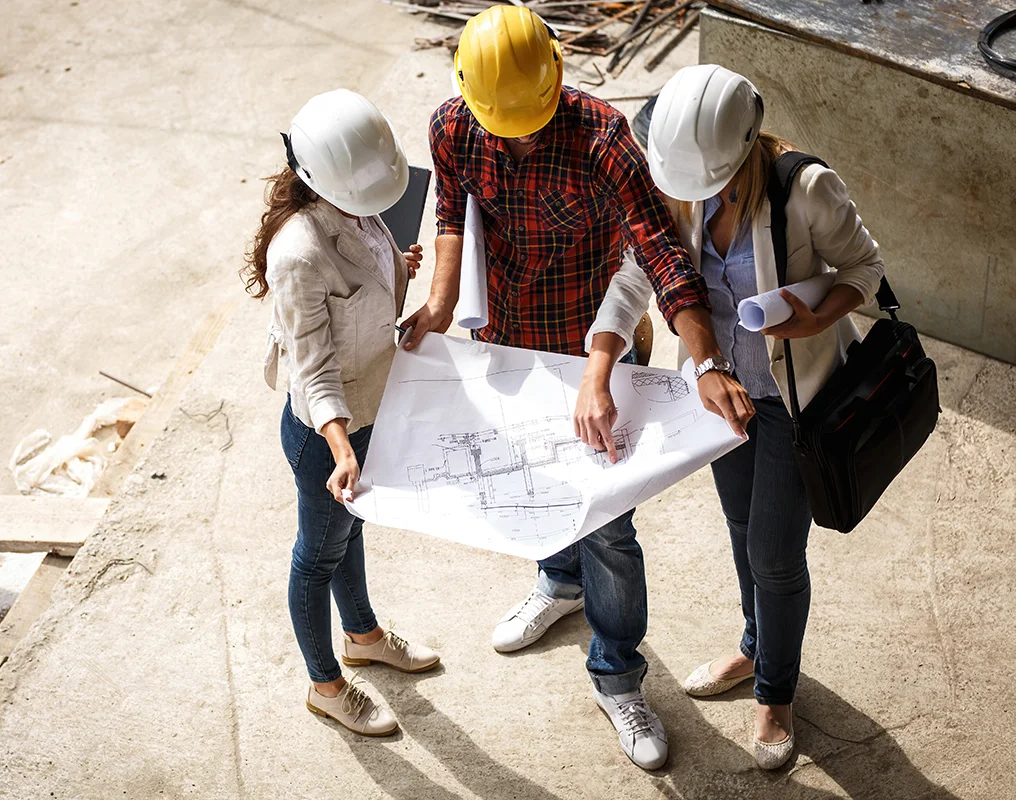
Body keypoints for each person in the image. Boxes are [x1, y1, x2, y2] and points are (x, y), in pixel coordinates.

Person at [401, 6, 754, 770]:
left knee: (608, 523)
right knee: (536, 484)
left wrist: (707, 361)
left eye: (528, 120)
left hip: (592, 345)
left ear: (558, 79)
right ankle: (559, 585)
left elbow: (659, 253)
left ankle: (617, 676)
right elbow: (451, 211)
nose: (518, 134)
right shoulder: (454, 126)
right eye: (505, 123)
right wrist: (438, 301)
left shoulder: (603, 139)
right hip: (507, 339)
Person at [644, 64, 885, 769]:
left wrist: (819, 321)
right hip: (722, 396)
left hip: (792, 402)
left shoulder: (804, 186)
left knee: (776, 557)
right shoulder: (679, 184)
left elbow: (864, 269)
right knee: (743, 529)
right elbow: (652, 271)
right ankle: (756, 648)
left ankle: (776, 691)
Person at [244, 89, 440, 738]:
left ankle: (362, 635)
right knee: (317, 555)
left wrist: (400, 271)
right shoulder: (298, 254)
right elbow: (313, 366)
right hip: (326, 438)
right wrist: (341, 447)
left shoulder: (363, 204)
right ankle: (326, 684)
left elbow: (367, 294)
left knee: (349, 533)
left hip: (370, 410)